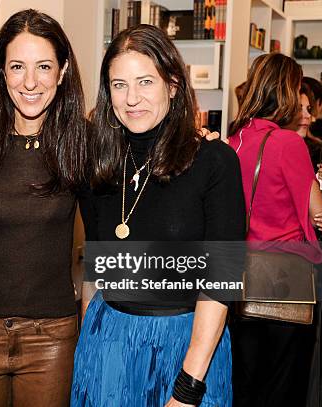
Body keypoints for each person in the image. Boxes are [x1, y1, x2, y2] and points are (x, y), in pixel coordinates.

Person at [71, 24, 244, 407]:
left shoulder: (214, 161)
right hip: (107, 344)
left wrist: (188, 387)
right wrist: (89, 345)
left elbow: (222, 281)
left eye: (145, 81)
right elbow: (96, 270)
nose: (132, 98)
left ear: (173, 85)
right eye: (119, 85)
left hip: (187, 348)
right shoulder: (98, 163)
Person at [0, 9, 87, 407]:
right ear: (1, 73)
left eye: (44, 66)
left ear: (62, 71)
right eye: (17, 67)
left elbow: (108, 228)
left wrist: (195, 142)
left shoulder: (81, 144)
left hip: (53, 337)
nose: (30, 82)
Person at [228, 52, 322, 406]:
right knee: (283, 385)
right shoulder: (289, 143)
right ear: (288, 92)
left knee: (243, 380)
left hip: (240, 278)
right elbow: (317, 214)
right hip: (285, 279)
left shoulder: (234, 141)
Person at [297, 83, 322, 168]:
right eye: (299, 109)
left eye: (308, 109)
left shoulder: (316, 150)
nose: (308, 115)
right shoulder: (273, 147)